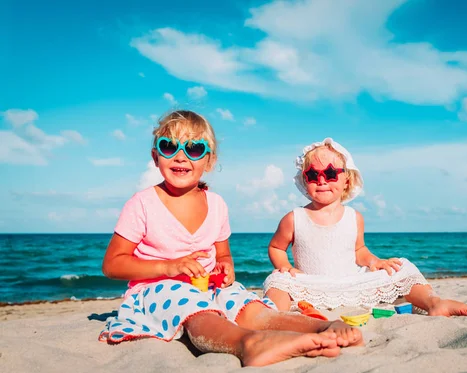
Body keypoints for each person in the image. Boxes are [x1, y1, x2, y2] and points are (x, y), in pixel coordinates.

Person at [99, 113, 362, 367]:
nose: (180, 155)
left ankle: (322, 326)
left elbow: (223, 255)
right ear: (156, 157)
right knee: (198, 312)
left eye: (193, 148)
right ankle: (247, 344)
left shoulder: (216, 205)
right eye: (169, 146)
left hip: (209, 287)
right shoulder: (143, 204)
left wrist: (226, 268)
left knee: (249, 308)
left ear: (209, 161)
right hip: (158, 291)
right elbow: (112, 264)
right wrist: (167, 267)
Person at [263, 138, 467, 318]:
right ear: (304, 180)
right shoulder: (295, 218)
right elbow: (276, 247)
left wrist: (375, 262)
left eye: (329, 174)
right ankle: (274, 318)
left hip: (351, 285)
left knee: (401, 267)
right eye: (312, 175)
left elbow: (359, 251)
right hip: (312, 286)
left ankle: (434, 303)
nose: (321, 180)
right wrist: (285, 267)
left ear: (346, 180)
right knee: (277, 280)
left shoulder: (353, 217)